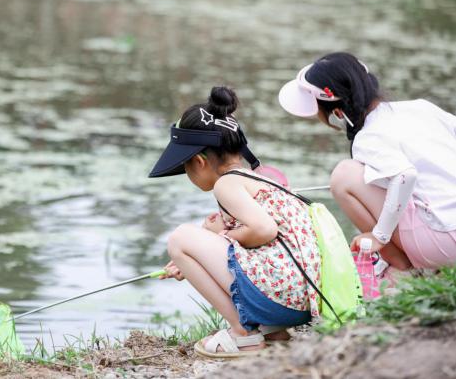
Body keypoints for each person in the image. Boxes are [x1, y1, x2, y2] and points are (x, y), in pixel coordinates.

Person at [149, 86, 321, 358]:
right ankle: (272, 332)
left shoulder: (226, 184)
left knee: (180, 239)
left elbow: (264, 230)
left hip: (281, 299)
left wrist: (217, 239)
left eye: (185, 167)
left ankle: (243, 335)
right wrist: (204, 253)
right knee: (200, 239)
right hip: (302, 302)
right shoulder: (258, 179)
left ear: (199, 162)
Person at [279, 52, 456, 272]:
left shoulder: (368, 136)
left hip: (445, 243)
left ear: (337, 112)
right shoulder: (421, 107)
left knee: (344, 175)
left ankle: (398, 262)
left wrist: (380, 235)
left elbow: (405, 175)